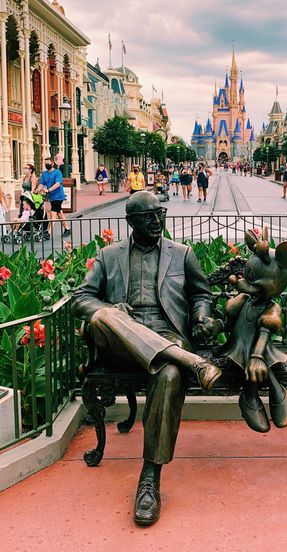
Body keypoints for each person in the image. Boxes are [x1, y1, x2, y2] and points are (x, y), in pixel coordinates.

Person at [71, 191, 222, 526]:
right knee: (104, 317)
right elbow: (81, 297)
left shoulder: (181, 254)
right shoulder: (109, 255)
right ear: (131, 221)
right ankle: (191, 362)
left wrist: (200, 317)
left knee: (168, 374)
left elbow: (201, 293)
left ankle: (149, 479)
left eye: (160, 213)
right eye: (149, 216)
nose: (157, 221)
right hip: (120, 345)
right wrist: (111, 310)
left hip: (166, 336)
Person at [36, 157, 70, 238]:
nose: (46, 165)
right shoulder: (44, 174)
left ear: (52, 164)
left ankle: (48, 232)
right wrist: (37, 190)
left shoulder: (57, 172)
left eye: (48, 163)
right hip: (52, 197)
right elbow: (41, 183)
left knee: (53, 213)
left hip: (58, 196)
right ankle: (67, 229)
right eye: (45, 164)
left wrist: (48, 190)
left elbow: (58, 184)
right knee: (59, 212)